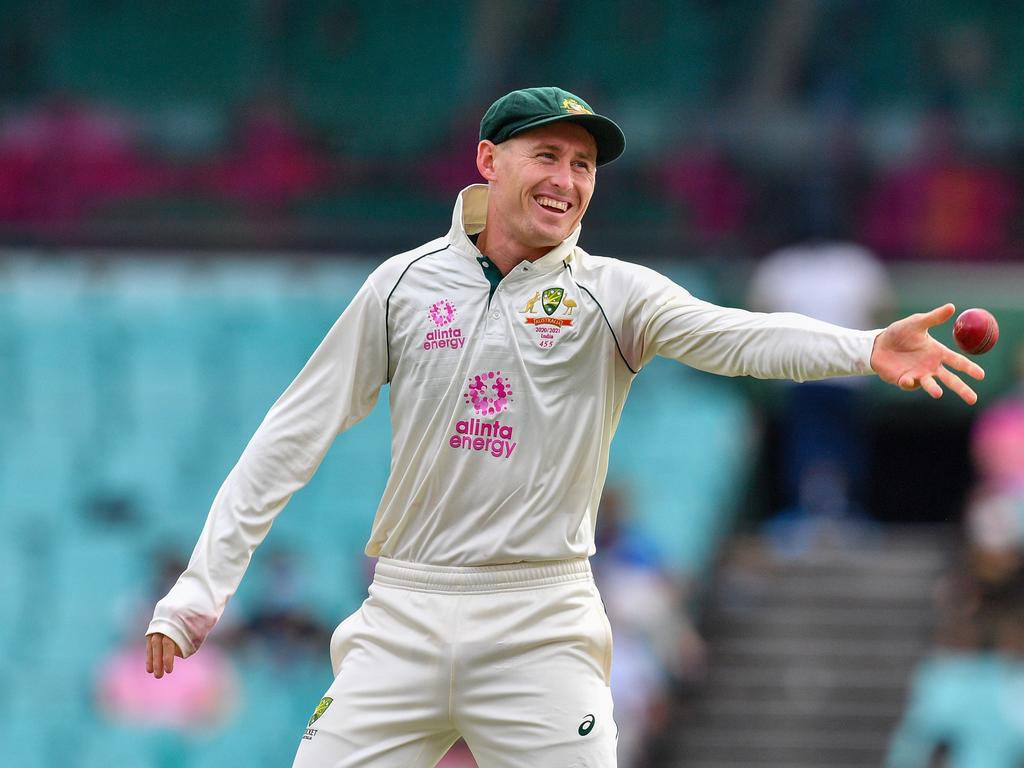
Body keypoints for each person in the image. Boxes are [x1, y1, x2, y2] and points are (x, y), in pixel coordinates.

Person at [145, 86, 985, 768]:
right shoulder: (400, 287)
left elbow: (738, 335)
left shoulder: (614, 293)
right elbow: (291, 435)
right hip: (403, 608)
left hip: (539, 620)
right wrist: (199, 588)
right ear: (488, 161)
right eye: (547, 155)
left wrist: (865, 345)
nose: (568, 179)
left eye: (583, 164)